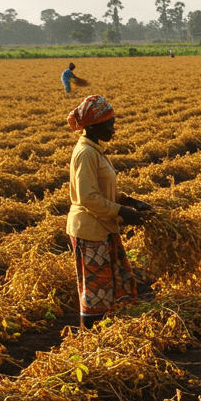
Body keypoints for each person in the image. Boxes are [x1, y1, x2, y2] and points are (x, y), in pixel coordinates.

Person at [65, 94, 152, 329]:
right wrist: (122, 211)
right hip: (90, 229)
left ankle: (105, 333)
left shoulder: (94, 149)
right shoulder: (86, 153)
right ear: (94, 126)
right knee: (96, 290)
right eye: (110, 123)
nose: (114, 128)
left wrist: (130, 201)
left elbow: (101, 190)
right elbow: (88, 198)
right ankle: (92, 340)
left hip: (102, 226)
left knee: (110, 285)